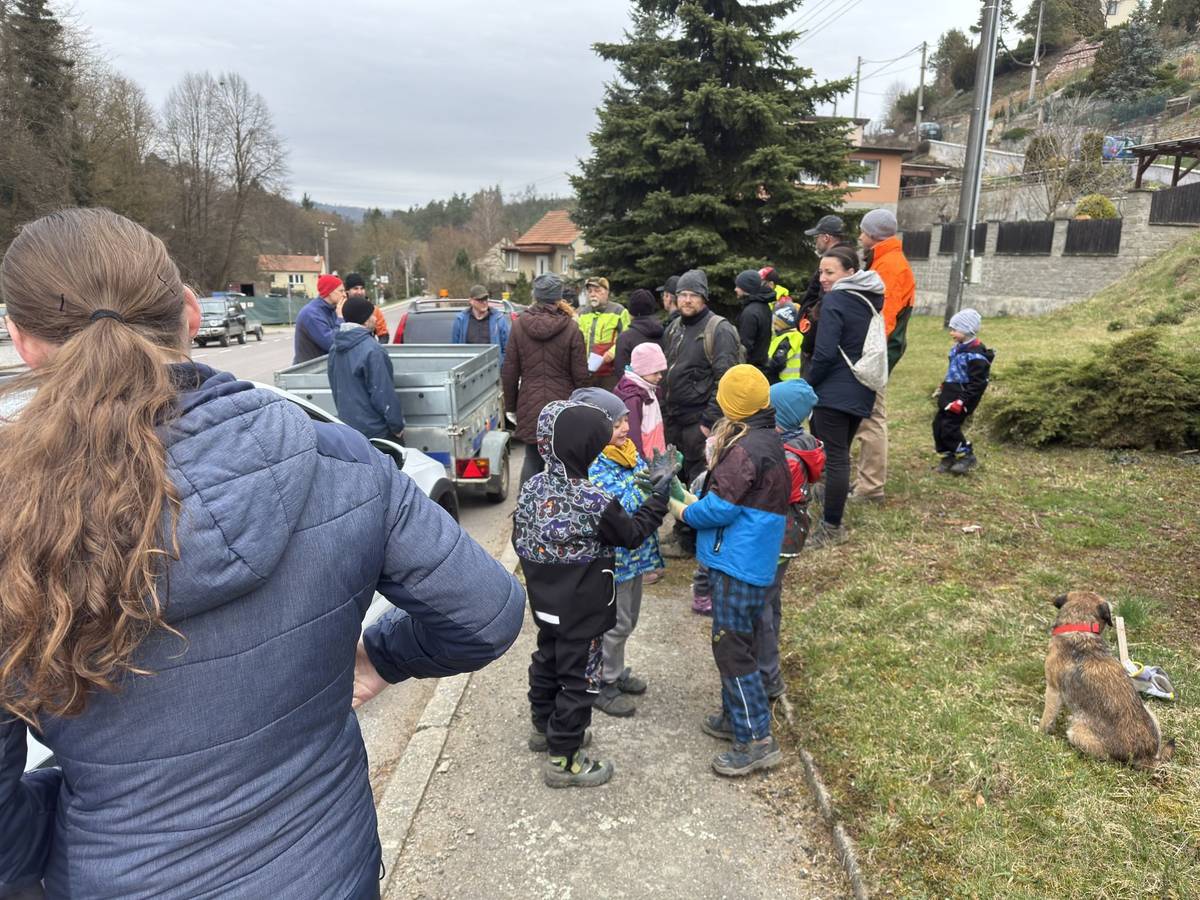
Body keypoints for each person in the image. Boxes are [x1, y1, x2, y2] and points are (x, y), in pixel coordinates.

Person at [0, 207, 525, 898]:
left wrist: (69, 827)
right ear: (189, 312)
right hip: (327, 870)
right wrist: (378, 656)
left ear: (23, 340)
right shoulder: (333, 456)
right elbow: (487, 612)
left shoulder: (15, 513)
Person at [514, 400, 673, 787]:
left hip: (545, 601)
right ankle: (564, 759)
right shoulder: (591, 499)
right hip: (583, 607)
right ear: (582, 448)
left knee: (547, 658)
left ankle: (544, 727)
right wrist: (660, 496)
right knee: (580, 678)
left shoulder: (533, 486)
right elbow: (631, 534)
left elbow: (520, 537)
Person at [671, 365, 790, 777]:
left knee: (731, 648)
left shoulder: (743, 449)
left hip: (736, 564)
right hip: (754, 560)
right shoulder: (766, 439)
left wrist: (684, 509)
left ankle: (756, 739)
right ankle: (732, 718)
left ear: (730, 405)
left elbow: (721, 508)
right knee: (742, 641)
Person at [570, 388, 666, 716]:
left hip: (634, 557)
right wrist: (652, 487)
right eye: (616, 424)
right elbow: (616, 506)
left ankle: (615, 669)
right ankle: (602, 682)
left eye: (625, 419)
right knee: (615, 623)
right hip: (613, 560)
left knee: (629, 619)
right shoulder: (593, 463)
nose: (625, 428)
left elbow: (640, 480)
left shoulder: (624, 450)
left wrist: (657, 479)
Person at [804, 246, 884, 549]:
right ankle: (828, 511)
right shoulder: (868, 298)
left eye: (830, 272)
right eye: (821, 271)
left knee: (835, 459)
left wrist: (808, 386)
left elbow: (824, 353)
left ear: (850, 273)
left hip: (833, 391)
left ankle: (831, 527)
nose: (823, 278)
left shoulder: (837, 299)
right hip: (860, 387)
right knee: (840, 457)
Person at [661, 269, 742, 559]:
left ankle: (697, 541)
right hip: (673, 420)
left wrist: (708, 423)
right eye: (682, 294)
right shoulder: (673, 328)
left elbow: (726, 380)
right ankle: (682, 533)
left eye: (692, 295)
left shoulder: (719, 330)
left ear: (703, 297)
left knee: (701, 481)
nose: (686, 300)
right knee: (676, 478)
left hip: (699, 422)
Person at [850, 208, 916, 504]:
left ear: (874, 235)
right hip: (877, 351)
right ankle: (866, 480)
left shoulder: (889, 267)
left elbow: (882, 320)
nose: (859, 235)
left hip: (876, 353)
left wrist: (865, 356)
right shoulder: (884, 260)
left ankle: (871, 487)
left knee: (872, 416)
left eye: (862, 231)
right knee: (866, 415)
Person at [502, 273, 588, 487]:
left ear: (536, 296)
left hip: (531, 406)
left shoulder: (519, 325)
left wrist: (511, 407)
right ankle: (565, 514)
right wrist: (583, 406)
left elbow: (510, 371)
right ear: (559, 297)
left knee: (532, 459)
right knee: (566, 464)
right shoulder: (571, 328)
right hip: (563, 407)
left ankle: (526, 514)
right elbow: (580, 375)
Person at [328, 295, 406, 443]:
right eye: (372, 315)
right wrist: (397, 427)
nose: (376, 319)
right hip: (377, 434)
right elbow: (383, 394)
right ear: (365, 319)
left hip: (348, 430)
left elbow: (335, 386)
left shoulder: (334, 349)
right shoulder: (372, 350)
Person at [933, 308, 993, 475]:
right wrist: (943, 386)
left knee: (949, 427)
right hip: (950, 394)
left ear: (968, 330)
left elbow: (978, 384)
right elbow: (953, 371)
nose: (951, 332)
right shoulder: (957, 349)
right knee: (938, 425)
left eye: (955, 329)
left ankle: (967, 456)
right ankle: (947, 456)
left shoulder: (976, 356)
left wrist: (962, 401)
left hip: (963, 397)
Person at [796, 215, 853, 377]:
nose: (823, 277)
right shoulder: (842, 257)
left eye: (817, 237)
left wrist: (809, 342)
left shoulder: (834, 261)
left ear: (826, 237)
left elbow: (823, 305)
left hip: (818, 345)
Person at [614, 342, 668, 461]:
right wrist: (640, 462)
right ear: (642, 370)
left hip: (655, 456)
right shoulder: (634, 398)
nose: (660, 376)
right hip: (646, 461)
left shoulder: (648, 388)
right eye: (655, 372)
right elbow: (632, 435)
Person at [577, 276, 632, 390]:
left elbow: (626, 338)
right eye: (590, 291)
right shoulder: (582, 313)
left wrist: (611, 353)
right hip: (587, 373)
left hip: (609, 373)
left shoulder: (619, 311)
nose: (593, 294)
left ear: (606, 292)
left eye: (597, 291)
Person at [451, 283, 511, 365]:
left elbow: (507, 349)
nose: (484, 302)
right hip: (468, 370)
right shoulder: (461, 320)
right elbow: (455, 350)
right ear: (471, 301)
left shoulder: (498, 319)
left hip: (492, 370)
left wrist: (501, 368)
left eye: (486, 299)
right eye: (480, 300)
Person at [293, 273, 345, 364]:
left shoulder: (332, 309)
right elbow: (331, 344)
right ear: (330, 292)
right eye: (341, 291)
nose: (344, 295)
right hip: (308, 371)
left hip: (321, 367)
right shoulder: (311, 314)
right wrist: (340, 319)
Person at [611, 288, 663, 375]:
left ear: (630, 311)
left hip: (633, 387)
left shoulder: (625, 338)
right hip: (659, 386)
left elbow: (621, 371)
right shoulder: (664, 332)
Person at [734, 269, 774, 372]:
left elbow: (745, 346)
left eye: (738, 286)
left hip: (750, 369)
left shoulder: (750, 313)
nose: (735, 289)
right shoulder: (764, 306)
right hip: (761, 366)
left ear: (746, 288)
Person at [344, 272, 389, 343]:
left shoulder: (374, 310)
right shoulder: (340, 310)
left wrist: (377, 349)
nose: (359, 292)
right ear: (347, 291)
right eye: (355, 288)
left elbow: (383, 335)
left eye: (362, 288)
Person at [766, 304, 805, 384]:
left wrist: (766, 367)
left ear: (783, 325)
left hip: (783, 380)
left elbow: (778, 361)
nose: (774, 326)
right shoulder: (795, 335)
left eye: (776, 324)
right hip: (794, 380)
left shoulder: (788, 338)